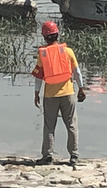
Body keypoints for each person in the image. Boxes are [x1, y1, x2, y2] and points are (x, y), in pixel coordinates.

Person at [32, 21, 86, 166]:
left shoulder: (43, 54)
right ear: (57, 34)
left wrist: (36, 93)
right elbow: (77, 72)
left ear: (44, 37)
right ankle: (74, 155)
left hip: (50, 96)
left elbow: (38, 77)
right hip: (68, 93)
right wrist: (81, 88)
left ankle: (47, 156)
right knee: (72, 125)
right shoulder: (68, 52)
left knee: (49, 126)